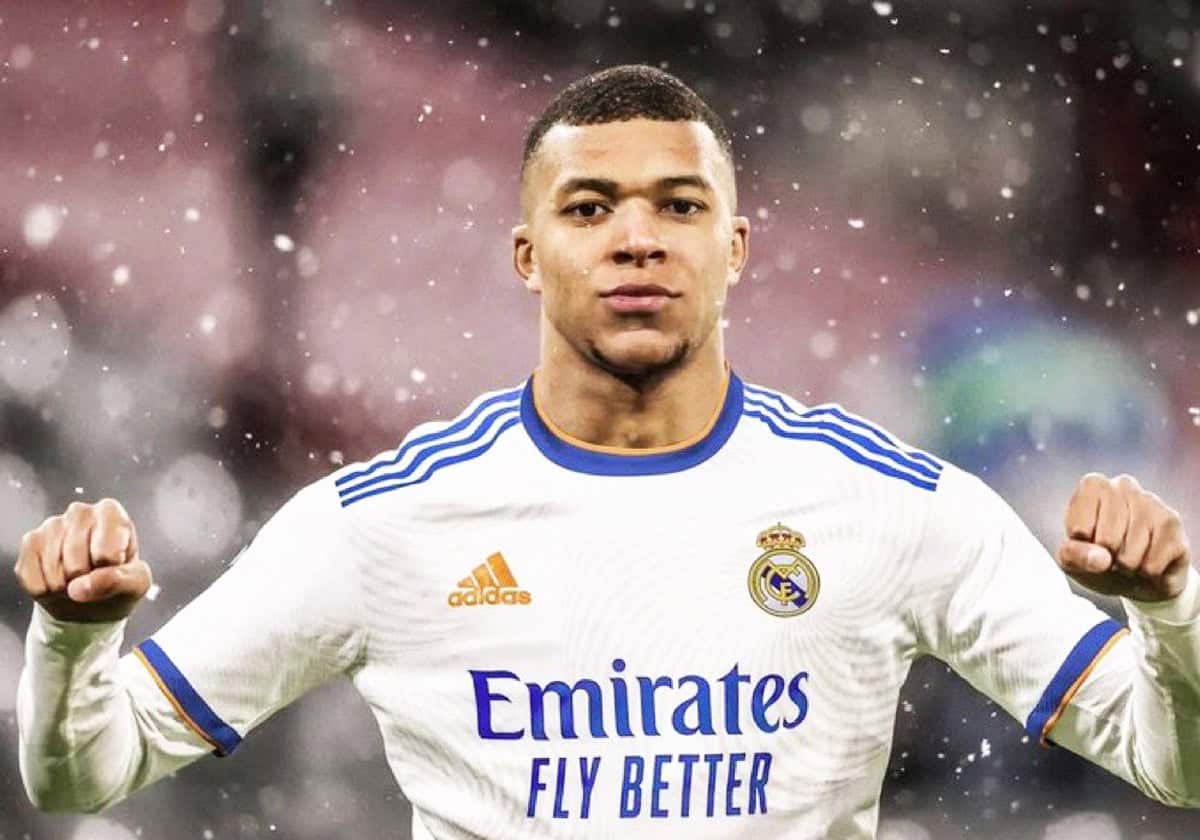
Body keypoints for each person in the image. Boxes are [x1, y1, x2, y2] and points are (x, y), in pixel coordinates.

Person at [13, 65, 1199, 839]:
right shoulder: (383, 521)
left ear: (736, 247)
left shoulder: (891, 504)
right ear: (527, 254)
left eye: (679, 206)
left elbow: (1175, 765)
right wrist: (70, 638)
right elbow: (85, 772)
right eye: (589, 209)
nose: (637, 240)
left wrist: (1171, 618)